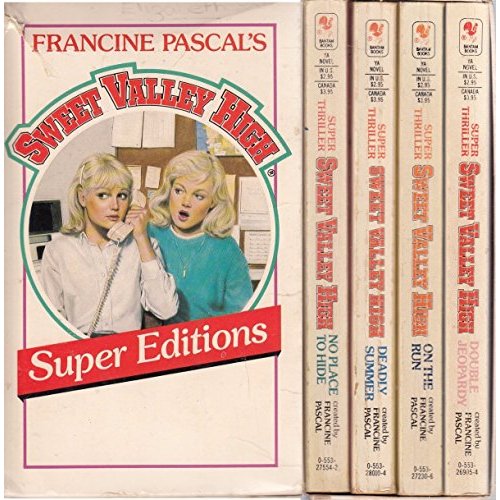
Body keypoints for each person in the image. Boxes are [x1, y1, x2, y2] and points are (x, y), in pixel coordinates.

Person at [40, 153, 178, 336]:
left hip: (127, 347)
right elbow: (50, 323)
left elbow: (166, 310)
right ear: (82, 197)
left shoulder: (144, 246)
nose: (115, 205)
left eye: (122, 195)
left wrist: (142, 238)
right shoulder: (58, 251)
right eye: (103, 195)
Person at [148, 150, 253, 323]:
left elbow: (243, 317)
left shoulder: (228, 250)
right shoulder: (149, 234)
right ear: (169, 190)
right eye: (179, 191)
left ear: (213, 201)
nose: (186, 202)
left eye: (198, 196)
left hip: (210, 338)